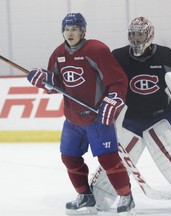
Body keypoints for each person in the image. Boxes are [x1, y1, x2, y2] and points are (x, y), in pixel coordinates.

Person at [27, 13, 135, 215]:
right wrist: (43, 79)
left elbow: (118, 81)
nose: (70, 33)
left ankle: (126, 197)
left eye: (75, 29)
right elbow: (56, 84)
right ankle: (85, 196)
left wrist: (111, 101)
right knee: (69, 157)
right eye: (67, 29)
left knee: (108, 159)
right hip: (72, 119)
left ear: (83, 31)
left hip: (97, 118)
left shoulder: (96, 50)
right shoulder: (58, 53)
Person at [109, 16, 171, 211]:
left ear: (150, 34)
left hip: (163, 114)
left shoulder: (165, 55)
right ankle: (105, 193)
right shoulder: (119, 56)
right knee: (115, 159)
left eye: (140, 34)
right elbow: (105, 80)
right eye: (133, 34)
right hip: (132, 118)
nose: (136, 38)